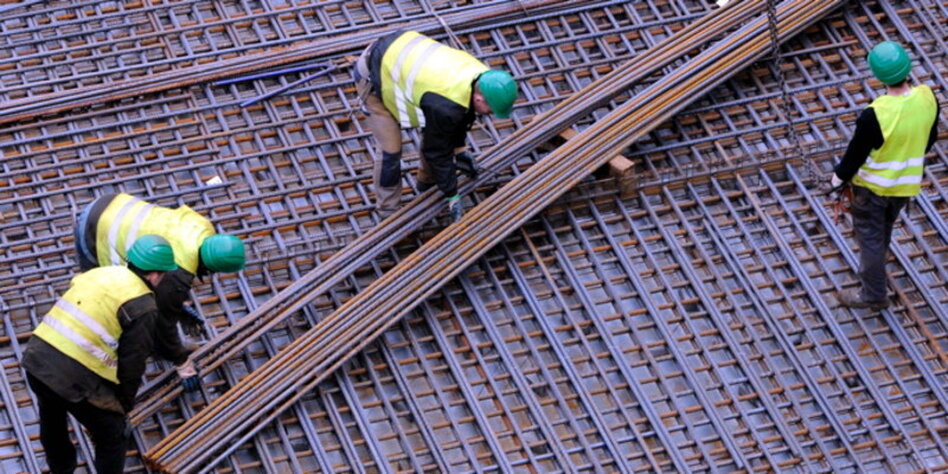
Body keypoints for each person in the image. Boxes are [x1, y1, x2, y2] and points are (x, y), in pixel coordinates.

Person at [23, 235, 194, 473]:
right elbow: (132, 361)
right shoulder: (143, 305)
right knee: (113, 434)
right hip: (73, 376)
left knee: (52, 415)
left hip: (37, 358)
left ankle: (61, 469)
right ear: (155, 275)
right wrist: (123, 405)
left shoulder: (101, 273)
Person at [353, 30, 518, 222]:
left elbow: (460, 117)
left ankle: (426, 183)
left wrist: (459, 149)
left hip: (404, 52)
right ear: (479, 99)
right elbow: (436, 150)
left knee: (438, 132)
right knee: (391, 151)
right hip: (374, 72)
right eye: (491, 110)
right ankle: (387, 211)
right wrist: (452, 194)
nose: (491, 115)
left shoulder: (482, 77)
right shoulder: (444, 106)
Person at [830, 41, 939, 310]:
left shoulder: (876, 114)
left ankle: (873, 295)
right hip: (904, 188)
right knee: (882, 233)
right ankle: (876, 273)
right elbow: (929, 138)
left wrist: (837, 179)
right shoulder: (927, 97)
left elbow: (855, 154)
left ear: (878, 76)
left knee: (870, 240)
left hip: (872, 190)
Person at [74, 193, 246, 336]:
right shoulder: (179, 271)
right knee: (102, 294)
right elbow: (163, 326)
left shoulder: (203, 226)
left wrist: (176, 306)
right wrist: (179, 357)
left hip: (113, 202)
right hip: (95, 229)